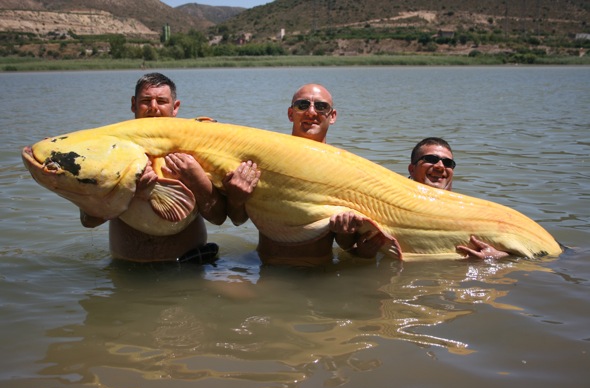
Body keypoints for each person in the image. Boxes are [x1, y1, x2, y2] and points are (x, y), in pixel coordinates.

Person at [223, 83, 384, 265]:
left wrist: (345, 232)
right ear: (291, 114)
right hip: (266, 265)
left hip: (319, 271)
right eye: (302, 105)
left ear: (332, 116)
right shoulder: (267, 158)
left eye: (321, 106)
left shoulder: (345, 168)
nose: (311, 112)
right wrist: (235, 199)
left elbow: (346, 245)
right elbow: (237, 220)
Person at [80, 72, 227, 263]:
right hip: (128, 267)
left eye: (162, 101)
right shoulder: (112, 151)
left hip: (190, 264)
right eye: (146, 100)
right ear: (133, 104)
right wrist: (128, 190)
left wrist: (196, 179)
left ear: (175, 107)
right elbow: (88, 220)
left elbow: (218, 217)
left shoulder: (195, 151)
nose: (153, 108)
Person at [408, 137, 509, 260]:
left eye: (447, 163)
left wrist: (496, 257)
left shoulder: (469, 211)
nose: (440, 166)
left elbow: (525, 254)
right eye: (431, 159)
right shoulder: (387, 208)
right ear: (412, 169)